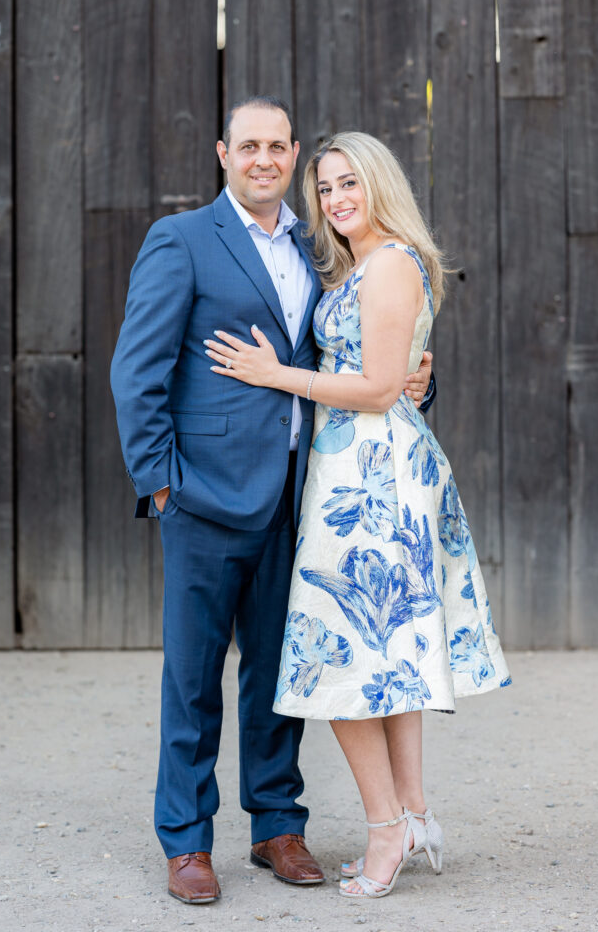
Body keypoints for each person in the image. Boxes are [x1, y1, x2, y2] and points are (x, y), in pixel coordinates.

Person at [110, 98, 433, 904]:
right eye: (247, 144)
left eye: (277, 146)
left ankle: (277, 826)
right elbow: (136, 371)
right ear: (224, 152)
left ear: (292, 155)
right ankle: (186, 841)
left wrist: (417, 385)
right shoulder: (181, 240)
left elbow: (366, 352)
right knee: (191, 678)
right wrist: (160, 481)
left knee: (276, 676)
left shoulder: (320, 249)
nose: (263, 158)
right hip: (203, 496)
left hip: (301, 499)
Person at [203, 131, 511, 899]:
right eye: (327, 189)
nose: (337, 200)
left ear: (379, 185)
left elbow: (376, 387)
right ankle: (410, 813)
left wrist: (280, 374)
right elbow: (390, 372)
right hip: (351, 474)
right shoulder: (360, 267)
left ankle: (384, 827)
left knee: (338, 657)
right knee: (384, 660)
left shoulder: (392, 263)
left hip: (376, 480)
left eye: (350, 184)